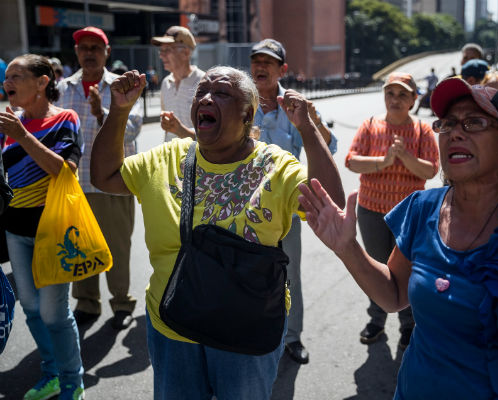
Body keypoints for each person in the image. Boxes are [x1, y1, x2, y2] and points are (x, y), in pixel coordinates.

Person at [298, 77, 498, 399]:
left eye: (474, 122)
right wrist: (347, 248)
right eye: (448, 123)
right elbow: (394, 294)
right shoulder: (421, 209)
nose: (456, 132)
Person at [90, 66, 344, 399]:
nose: (207, 98)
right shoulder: (167, 157)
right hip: (173, 327)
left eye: (222, 93)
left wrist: (307, 129)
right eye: (202, 92)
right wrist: (120, 110)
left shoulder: (275, 166)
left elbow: (332, 207)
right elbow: (104, 175)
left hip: (248, 335)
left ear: (247, 114)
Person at [0, 54, 85, 400]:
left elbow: (63, 170)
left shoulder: (66, 118)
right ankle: (50, 373)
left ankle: (72, 381)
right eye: (7, 77)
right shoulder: (10, 122)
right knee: (31, 309)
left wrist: (21, 135)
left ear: (42, 82)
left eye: (17, 76)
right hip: (15, 230)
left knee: (54, 313)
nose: (9, 82)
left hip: (52, 230)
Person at [250, 38, 338, 364]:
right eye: (256, 61)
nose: (260, 67)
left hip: (287, 208)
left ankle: (292, 337)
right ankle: (252, 333)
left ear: (281, 69)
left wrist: (314, 123)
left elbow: (331, 146)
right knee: (246, 271)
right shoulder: (241, 104)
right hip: (246, 207)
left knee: (289, 275)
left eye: (268, 63)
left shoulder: (295, 105)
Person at [345, 71, 439, 350]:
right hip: (372, 210)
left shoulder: (422, 130)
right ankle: (377, 319)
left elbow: (432, 169)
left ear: (413, 100)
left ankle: (409, 325)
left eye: (402, 94)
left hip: (410, 216)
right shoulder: (370, 125)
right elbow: (351, 161)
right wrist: (384, 161)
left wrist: (405, 157)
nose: (395, 99)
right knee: (377, 268)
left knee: (408, 269)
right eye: (390, 93)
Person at [57, 26, 142, 330]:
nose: (89, 53)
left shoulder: (119, 85)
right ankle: (86, 302)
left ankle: (121, 302)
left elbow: (132, 128)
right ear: (76, 52)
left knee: (117, 246)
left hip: (114, 181)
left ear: (107, 52)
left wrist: (101, 111)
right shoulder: (63, 87)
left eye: (96, 47)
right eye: (84, 47)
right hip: (75, 184)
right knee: (79, 246)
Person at [151, 26, 205, 142]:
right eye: (161, 50)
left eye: (167, 50)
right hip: (171, 157)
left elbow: (211, 133)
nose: (161, 55)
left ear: (186, 53)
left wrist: (181, 131)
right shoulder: (166, 83)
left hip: (197, 157)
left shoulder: (204, 82)